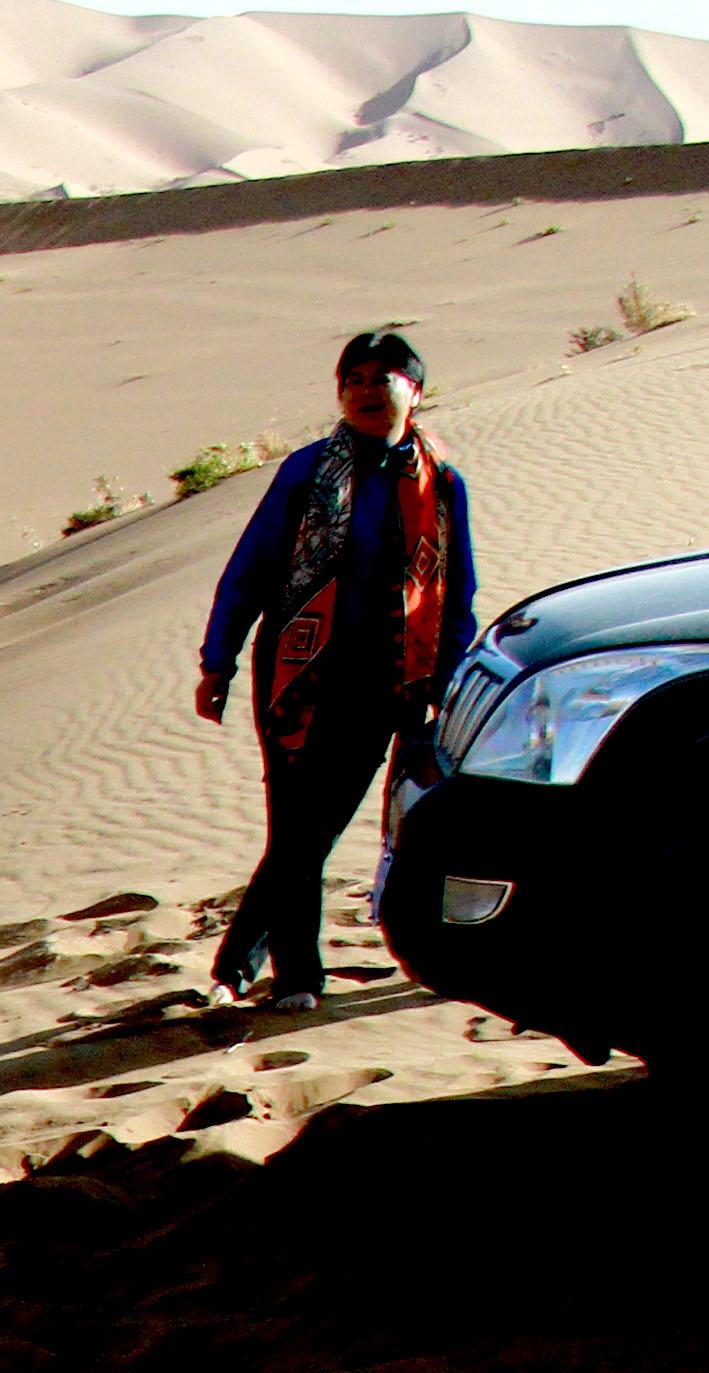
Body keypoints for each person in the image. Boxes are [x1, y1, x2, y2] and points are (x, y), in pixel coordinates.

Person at [194, 329, 476, 1009]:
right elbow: (252, 566)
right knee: (293, 824)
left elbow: (456, 590)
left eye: (384, 378)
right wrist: (218, 659)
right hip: (297, 672)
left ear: (416, 390)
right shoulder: (307, 470)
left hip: (389, 682)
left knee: (314, 830)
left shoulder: (442, 483)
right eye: (353, 379)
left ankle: (236, 962)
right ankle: (295, 977)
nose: (367, 391)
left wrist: (446, 680)